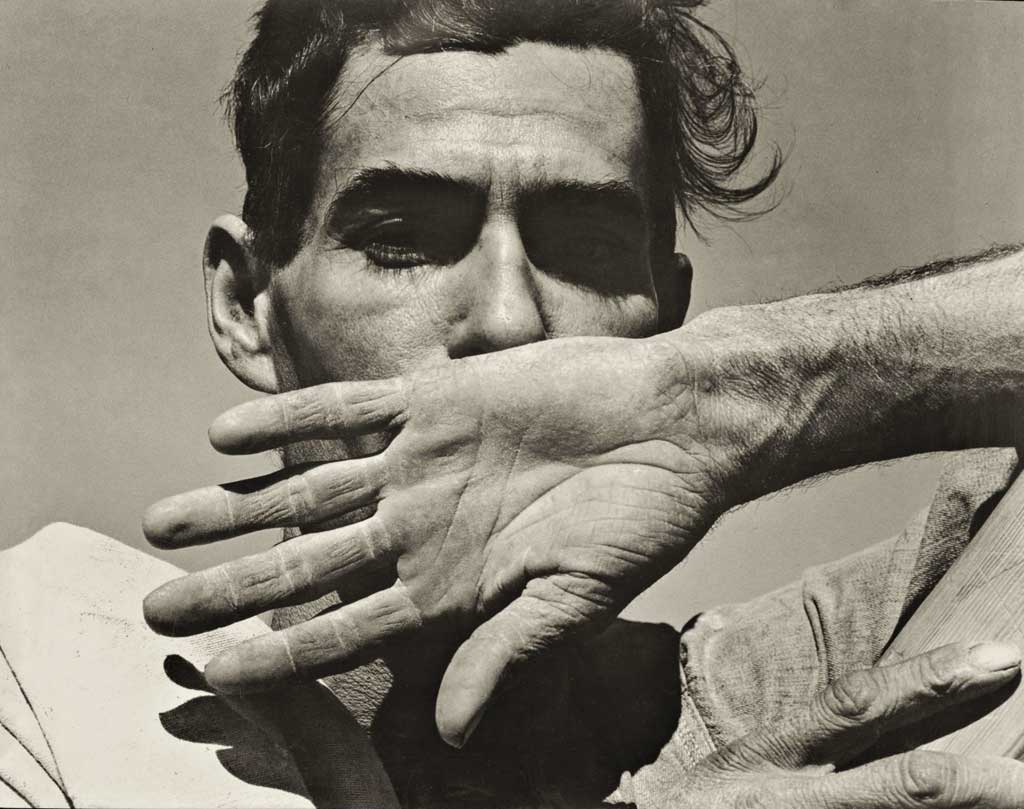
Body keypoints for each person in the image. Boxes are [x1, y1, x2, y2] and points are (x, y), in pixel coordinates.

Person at [3, 0, 1023, 807]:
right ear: (244, 304)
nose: (505, 318)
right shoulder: (53, 673)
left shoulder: (826, 673)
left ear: (667, 323)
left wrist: (739, 389)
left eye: (581, 246)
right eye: (400, 237)